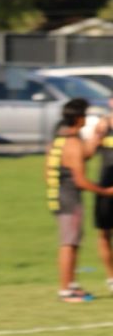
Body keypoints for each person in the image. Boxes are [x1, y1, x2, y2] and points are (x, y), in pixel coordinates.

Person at [45, 98, 113, 302]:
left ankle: (72, 285)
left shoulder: (62, 138)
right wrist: (105, 192)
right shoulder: (72, 143)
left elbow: (82, 156)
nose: (86, 119)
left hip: (59, 196)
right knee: (69, 243)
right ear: (78, 118)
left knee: (73, 241)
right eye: (84, 115)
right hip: (69, 199)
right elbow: (81, 180)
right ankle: (66, 291)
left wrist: (95, 138)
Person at [92, 97, 113, 293]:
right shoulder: (103, 125)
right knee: (104, 232)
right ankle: (111, 278)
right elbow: (88, 152)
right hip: (106, 188)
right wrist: (96, 136)